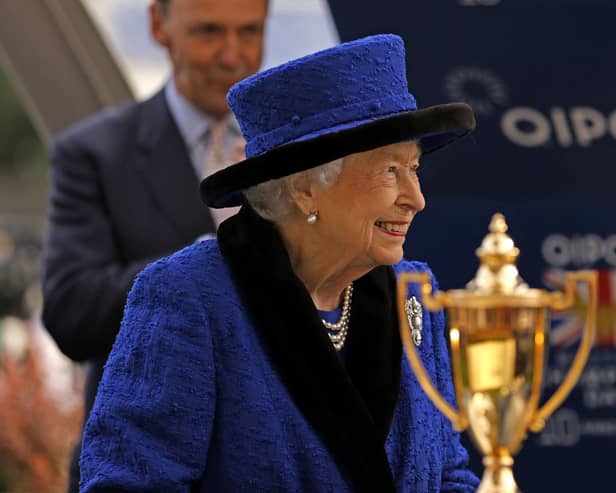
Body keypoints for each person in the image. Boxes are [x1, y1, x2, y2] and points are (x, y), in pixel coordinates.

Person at [79, 34, 479, 492]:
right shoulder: (190, 297)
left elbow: (449, 474)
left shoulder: (416, 294)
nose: (416, 199)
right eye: (390, 170)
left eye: (415, 169)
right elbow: (128, 485)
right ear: (305, 187)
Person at [41, 1, 268, 492]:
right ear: (157, 25)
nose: (233, 55)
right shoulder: (94, 155)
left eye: (249, 32)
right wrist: (218, 253)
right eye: (209, 32)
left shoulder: (298, 154)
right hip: (143, 467)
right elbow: (71, 314)